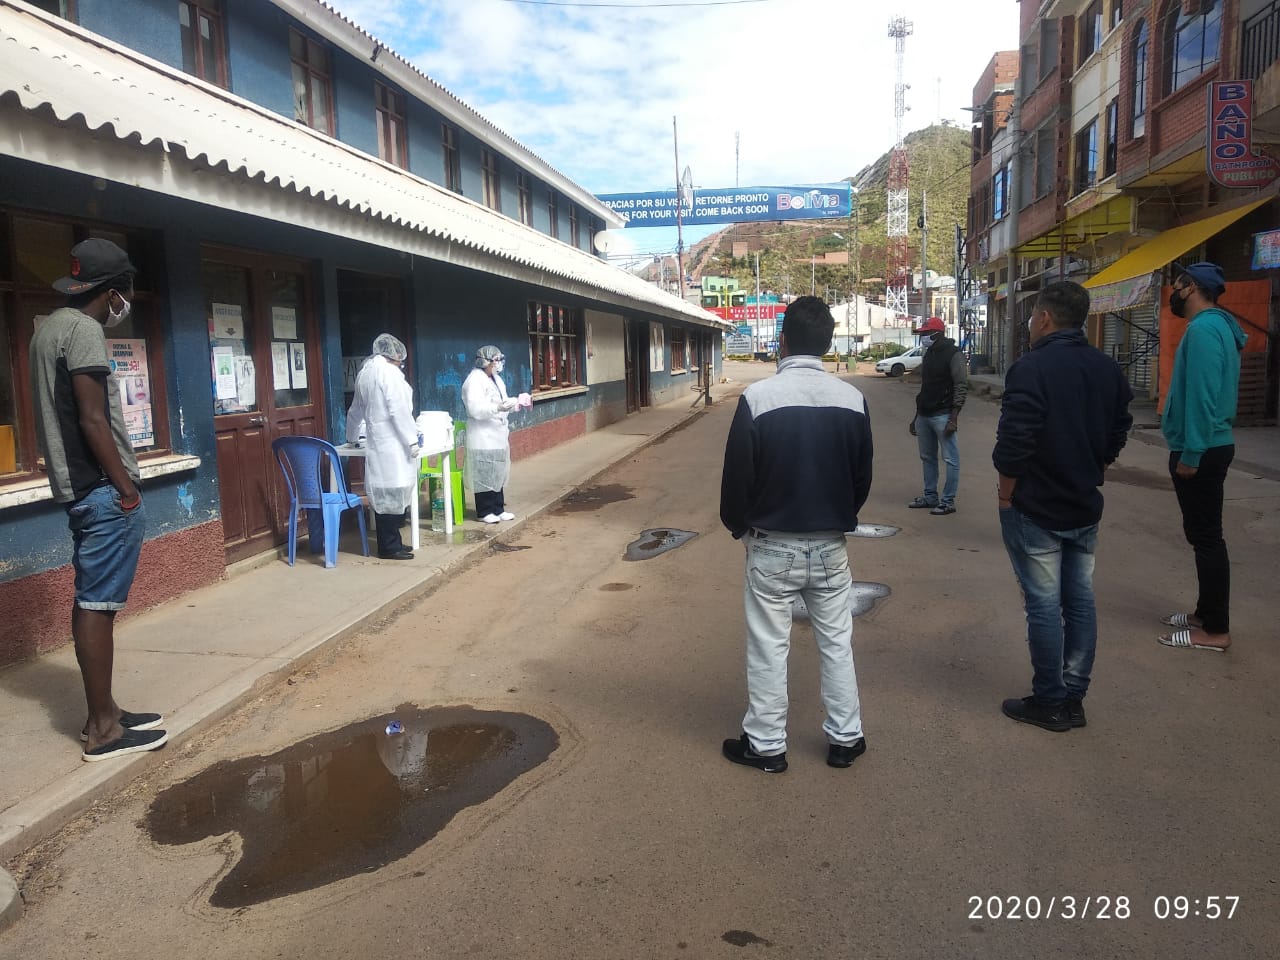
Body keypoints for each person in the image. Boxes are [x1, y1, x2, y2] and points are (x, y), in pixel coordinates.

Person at [719, 296, 874, 773]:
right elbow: (861, 477)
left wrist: (739, 527)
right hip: (830, 545)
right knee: (836, 642)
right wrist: (838, 513)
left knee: (769, 645)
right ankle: (846, 740)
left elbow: (737, 477)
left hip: (772, 544)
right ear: (828, 344)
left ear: (782, 341)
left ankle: (766, 747)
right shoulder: (852, 398)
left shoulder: (758, 398)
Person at [29, 238, 167, 761]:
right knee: (98, 605)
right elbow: (90, 419)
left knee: (92, 599)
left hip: (79, 490)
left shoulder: (48, 329)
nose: (123, 305)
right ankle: (105, 730)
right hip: (102, 492)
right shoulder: (84, 331)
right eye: (123, 296)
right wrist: (127, 491)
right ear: (113, 293)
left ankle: (103, 709)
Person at [993, 281, 1133, 732]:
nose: (1031, 323)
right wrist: (1098, 464)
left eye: (1033, 315)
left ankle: (1050, 701)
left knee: (1043, 605)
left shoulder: (1031, 368)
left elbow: (1015, 440)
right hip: (1083, 503)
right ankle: (1073, 697)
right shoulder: (1106, 368)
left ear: (1045, 318)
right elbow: (1119, 426)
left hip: (1036, 506)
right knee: (1080, 602)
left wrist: (1005, 493)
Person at [1157, 262, 1242, 653]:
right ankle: (1204, 613)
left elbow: (1204, 397)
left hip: (1203, 448)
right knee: (1203, 535)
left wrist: (1191, 452)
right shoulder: (1218, 327)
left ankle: (1215, 631)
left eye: (1177, 286)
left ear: (1190, 288)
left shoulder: (1204, 330)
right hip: (1209, 444)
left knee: (1207, 538)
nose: (1173, 293)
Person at [346, 333, 419, 560]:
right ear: (394, 356)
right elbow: (399, 411)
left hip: (378, 441)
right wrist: (412, 439)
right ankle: (389, 547)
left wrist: (351, 437)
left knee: (385, 493)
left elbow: (355, 409)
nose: (401, 364)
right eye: (401, 360)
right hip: (393, 442)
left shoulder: (365, 373)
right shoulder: (390, 374)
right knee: (392, 493)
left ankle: (393, 541)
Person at [906, 316, 968, 516]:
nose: (923, 337)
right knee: (927, 457)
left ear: (938, 334)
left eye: (926, 333)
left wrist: (954, 417)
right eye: (922, 334)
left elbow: (960, 385)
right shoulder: (929, 354)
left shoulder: (954, 354)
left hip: (943, 415)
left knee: (951, 459)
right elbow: (925, 388)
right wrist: (916, 417)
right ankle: (930, 496)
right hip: (924, 414)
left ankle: (948, 501)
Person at [462, 345, 520, 524]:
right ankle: (484, 511)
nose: (499, 363)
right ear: (485, 361)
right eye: (495, 360)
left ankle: (498, 508)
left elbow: (501, 400)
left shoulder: (496, 379)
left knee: (497, 472)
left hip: (497, 433)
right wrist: (497, 407)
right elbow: (475, 409)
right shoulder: (474, 381)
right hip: (483, 435)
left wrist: (513, 404)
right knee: (484, 473)